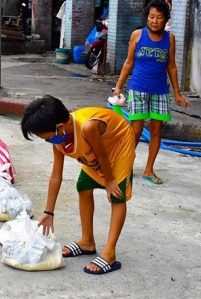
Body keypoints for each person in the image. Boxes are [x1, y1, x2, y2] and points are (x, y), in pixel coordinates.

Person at [21, 95, 135, 275]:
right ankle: (87, 241)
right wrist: (48, 212)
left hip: (118, 144)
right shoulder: (59, 139)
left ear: (59, 127)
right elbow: (56, 176)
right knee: (83, 185)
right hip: (98, 150)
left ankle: (110, 252)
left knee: (116, 194)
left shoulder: (87, 127)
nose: (48, 141)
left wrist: (109, 180)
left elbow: (103, 155)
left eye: (47, 137)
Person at [113, 0, 192, 185]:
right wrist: (118, 86)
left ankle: (149, 170)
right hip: (138, 88)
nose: (154, 21)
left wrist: (177, 93)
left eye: (159, 17)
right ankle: (125, 167)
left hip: (160, 92)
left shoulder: (169, 39)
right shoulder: (137, 35)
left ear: (165, 20)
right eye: (151, 17)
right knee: (136, 131)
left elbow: (171, 67)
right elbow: (128, 62)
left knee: (156, 132)